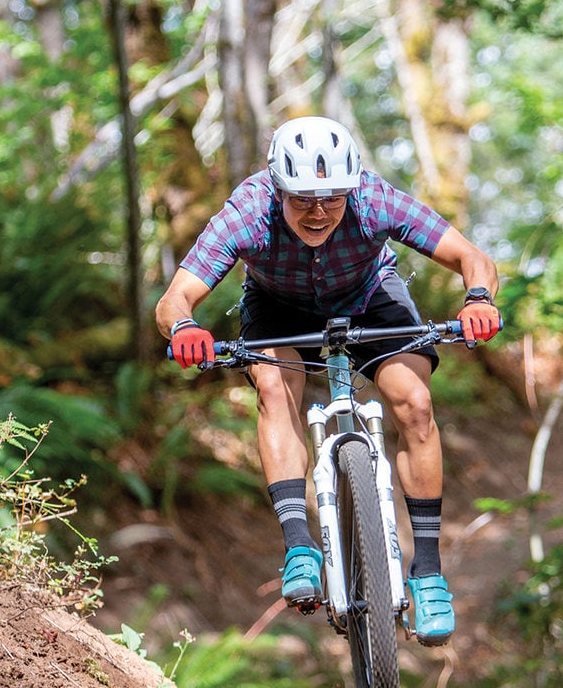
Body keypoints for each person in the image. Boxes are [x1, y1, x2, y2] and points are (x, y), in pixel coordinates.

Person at [155, 115, 501, 647]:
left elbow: (470, 257)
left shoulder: (376, 199)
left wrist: (478, 299)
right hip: (278, 309)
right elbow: (174, 298)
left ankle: (427, 572)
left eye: (333, 199)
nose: (318, 212)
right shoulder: (248, 211)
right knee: (273, 388)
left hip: (370, 298)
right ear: (278, 188)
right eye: (302, 200)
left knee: (415, 404)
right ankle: (299, 546)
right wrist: (184, 327)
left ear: (351, 188)